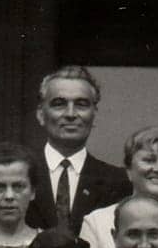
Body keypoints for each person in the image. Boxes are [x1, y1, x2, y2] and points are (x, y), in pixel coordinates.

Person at [18, 64, 132, 235]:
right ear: (41, 114)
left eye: (81, 104)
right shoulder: (17, 173)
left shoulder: (117, 181)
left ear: (94, 114)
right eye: (59, 104)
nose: (71, 114)